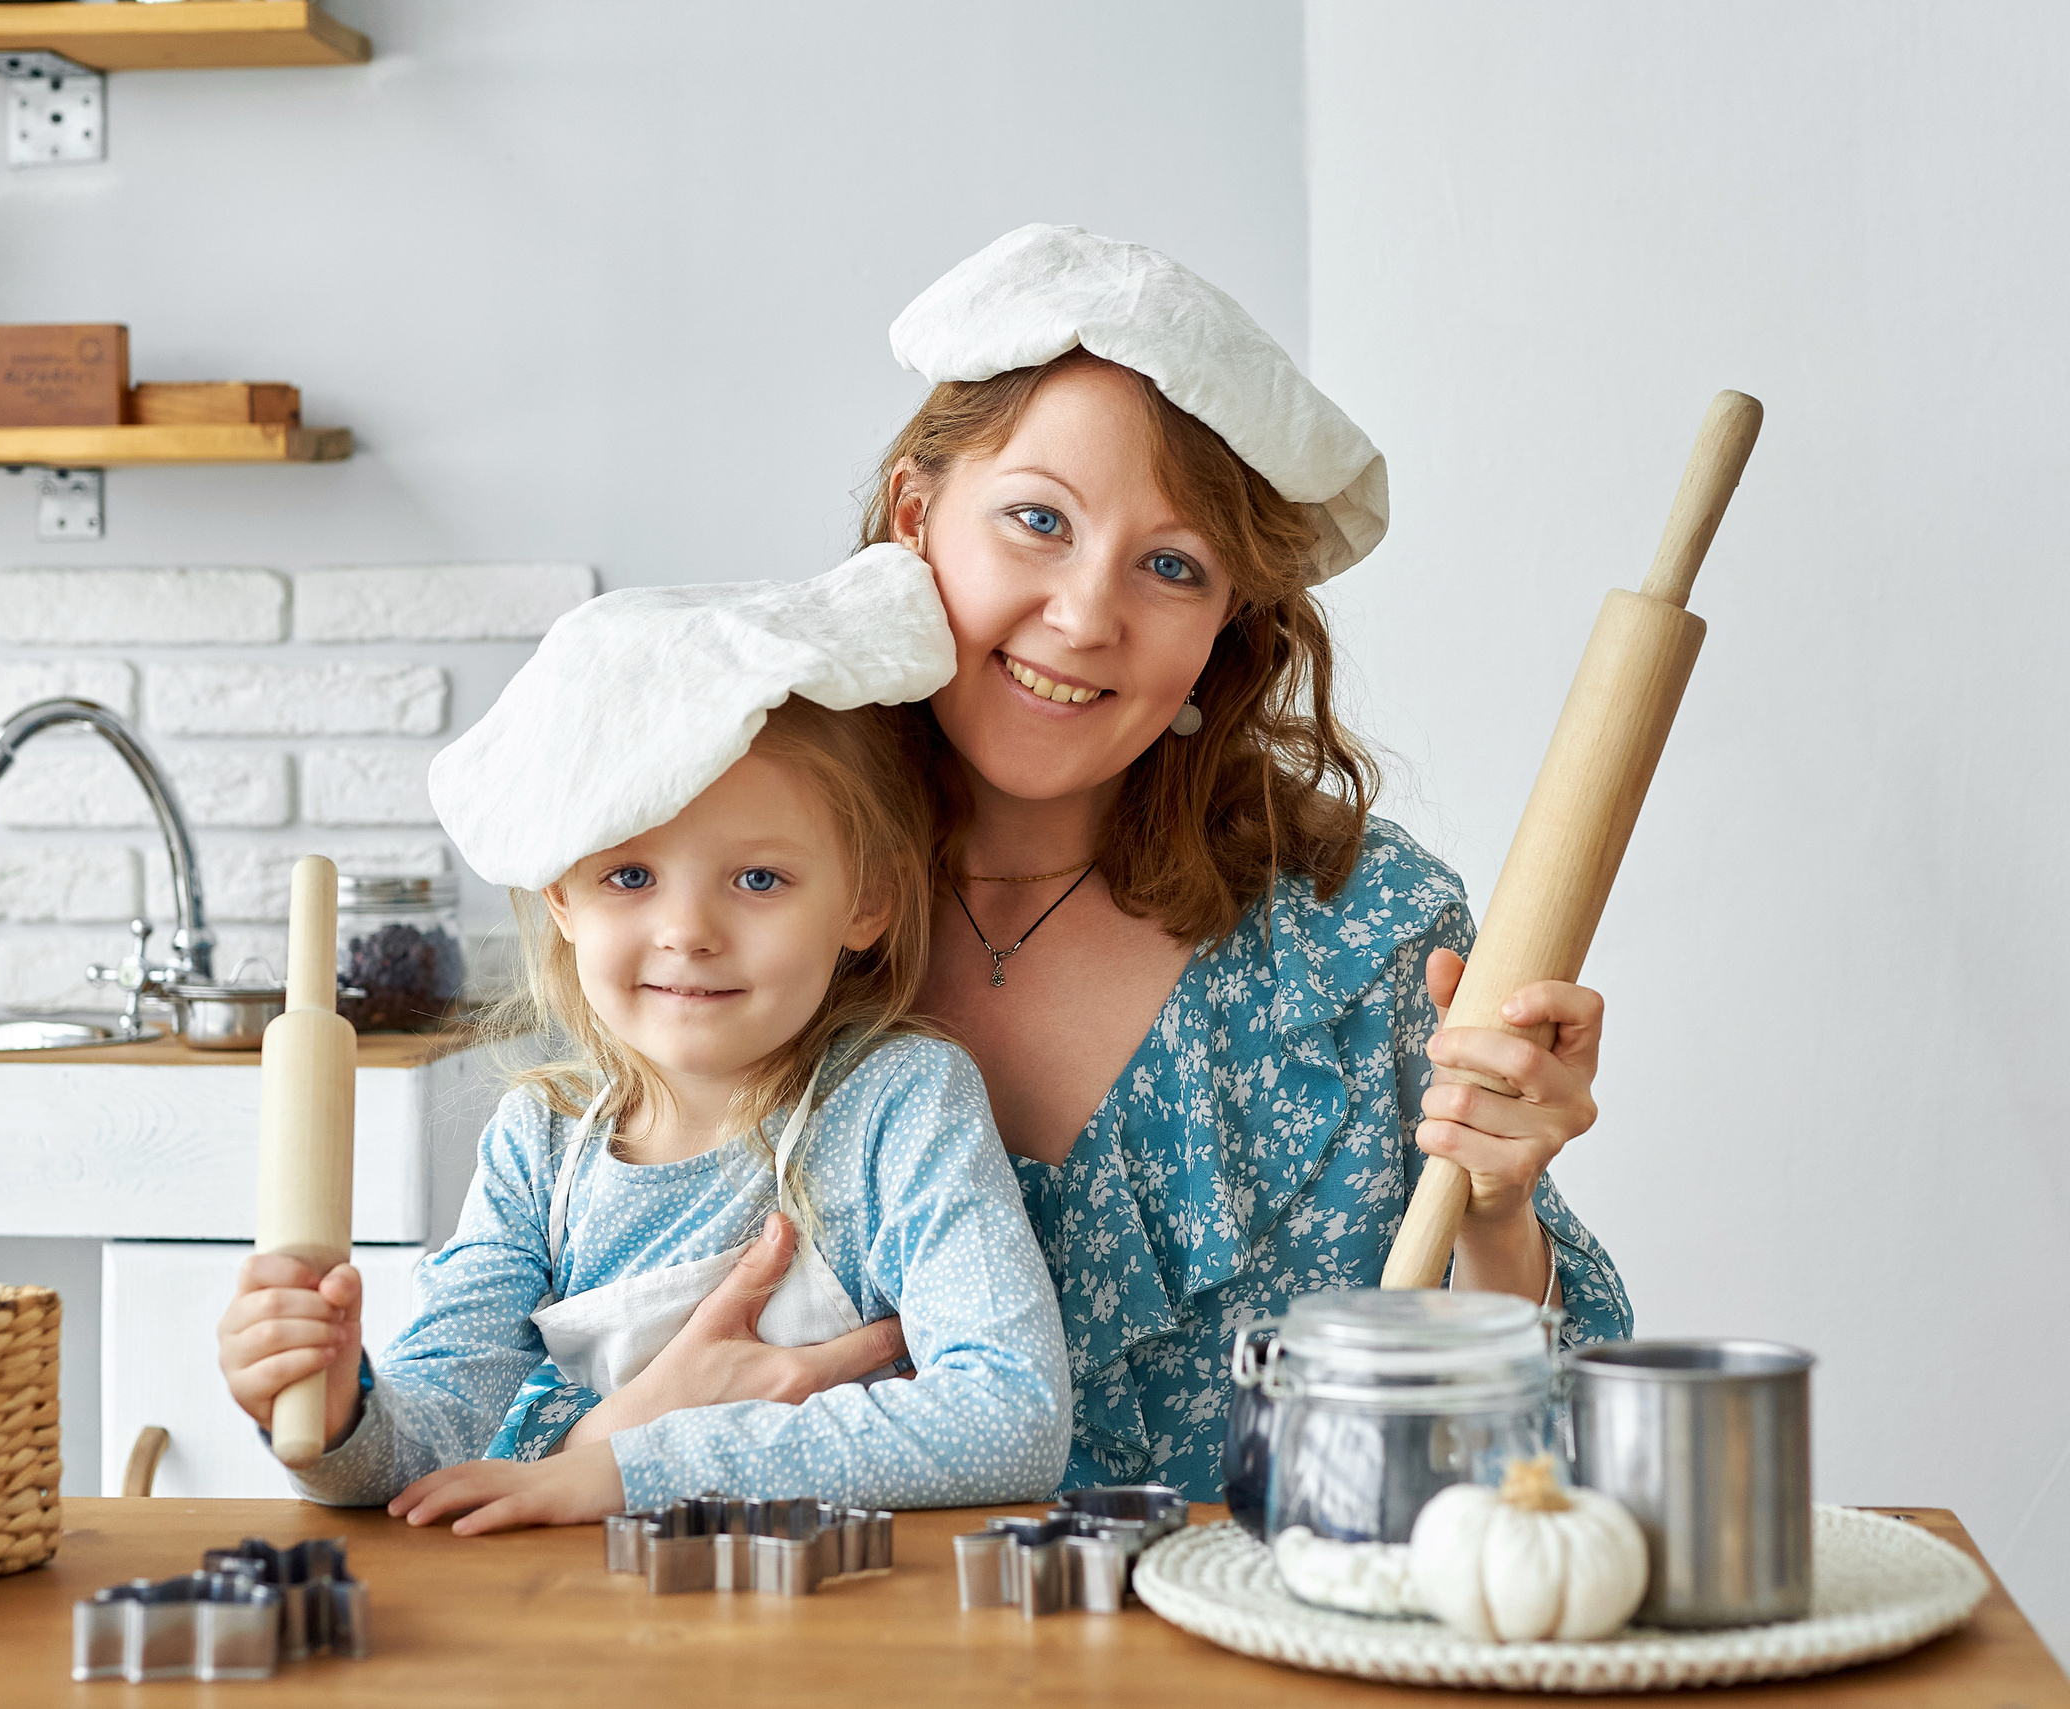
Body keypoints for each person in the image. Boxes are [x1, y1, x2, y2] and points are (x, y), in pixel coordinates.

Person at [518, 225, 1634, 1500]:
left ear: (1224, 626)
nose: (1086, 614)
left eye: (1171, 566)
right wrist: (621, 1435)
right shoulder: (711, 883)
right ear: (916, 516)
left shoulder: (1358, 932)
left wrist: (1496, 1207)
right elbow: (489, 1428)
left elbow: (1545, 1467)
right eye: (1037, 520)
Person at [215, 549, 1071, 1530]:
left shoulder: (897, 1104)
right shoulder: (540, 1142)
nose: (687, 931)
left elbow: (1014, 1418)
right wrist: (339, 1416)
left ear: (866, 899)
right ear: (561, 894)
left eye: (758, 878)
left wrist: (628, 1467)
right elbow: (433, 1432)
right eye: (630, 876)